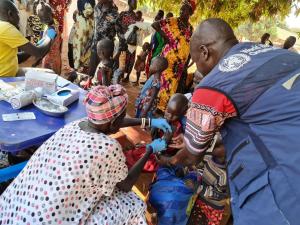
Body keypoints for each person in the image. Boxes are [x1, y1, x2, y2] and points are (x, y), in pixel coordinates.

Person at [157, 18, 300, 225]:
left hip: (287, 181)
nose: (198, 69)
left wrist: (168, 161)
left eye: (196, 61)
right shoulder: (269, 53)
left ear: (204, 52)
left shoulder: (213, 85)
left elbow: (191, 158)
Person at [0, 84, 171, 224]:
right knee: (133, 204)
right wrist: (149, 149)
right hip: (46, 219)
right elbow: (125, 186)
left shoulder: (78, 124)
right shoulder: (108, 148)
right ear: (112, 122)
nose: (123, 119)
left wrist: (148, 121)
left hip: (18, 207)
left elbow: (111, 121)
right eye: (122, 116)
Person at [126, 93, 189, 172]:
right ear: (166, 107)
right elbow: (155, 138)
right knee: (133, 155)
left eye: (175, 115)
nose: (170, 116)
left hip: (161, 155)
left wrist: (150, 147)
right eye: (168, 111)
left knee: (138, 161)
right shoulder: (162, 120)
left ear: (182, 113)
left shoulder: (174, 127)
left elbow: (161, 148)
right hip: (155, 148)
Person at [152, 0, 195, 113]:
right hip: (168, 60)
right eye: (181, 9)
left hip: (179, 65)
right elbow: (155, 24)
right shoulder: (174, 21)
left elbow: (189, 46)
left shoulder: (191, 29)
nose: (181, 11)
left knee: (172, 86)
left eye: (184, 9)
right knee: (163, 84)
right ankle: (156, 109)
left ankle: (163, 110)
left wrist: (187, 62)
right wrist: (165, 37)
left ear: (190, 12)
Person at [0, 0, 52, 77]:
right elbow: (39, 52)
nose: (19, 19)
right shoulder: (7, 28)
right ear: (10, 14)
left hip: (10, 72)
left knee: (48, 73)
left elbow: (14, 57)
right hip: (4, 78)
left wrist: (31, 49)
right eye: (18, 15)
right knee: (49, 75)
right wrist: (50, 35)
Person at [187, 134, 228, 225]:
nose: (214, 146)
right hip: (201, 195)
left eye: (219, 145)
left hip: (211, 206)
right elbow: (202, 167)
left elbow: (218, 195)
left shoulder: (223, 176)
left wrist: (197, 187)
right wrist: (195, 170)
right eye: (215, 144)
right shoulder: (209, 156)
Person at [88, 0, 119, 77]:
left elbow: (120, 34)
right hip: (95, 45)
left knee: (104, 75)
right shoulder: (97, 8)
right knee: (92, 70)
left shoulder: (115, 14)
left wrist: (117, 54)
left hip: (106, 50)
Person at [116, 0, 138, 82]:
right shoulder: (123, 14)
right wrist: (121, 36)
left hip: (132, 42)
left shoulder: (136, 16)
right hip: (123, 41)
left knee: (130, 59)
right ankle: (119, 75)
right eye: (134, 2)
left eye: (136, 2)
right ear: (129, 2)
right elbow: (117, 25)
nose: (135, 4)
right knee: (121, 58)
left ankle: (127, 77)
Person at [37, 1, 61, 74]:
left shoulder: (51, 29)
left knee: (50, 80)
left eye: (46, 17)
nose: (45, 19)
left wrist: (36, 46)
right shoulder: (50, 26)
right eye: (43, 18)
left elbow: (46, 40)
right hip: (53, 58)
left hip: (51, 61)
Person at [73, 0, 95, 71]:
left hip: (83, 24)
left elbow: (89, 11)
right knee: (86, 44)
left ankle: (77, 66)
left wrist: (80, 13)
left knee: (79, 45)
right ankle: (84, 65)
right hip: (88, 24)